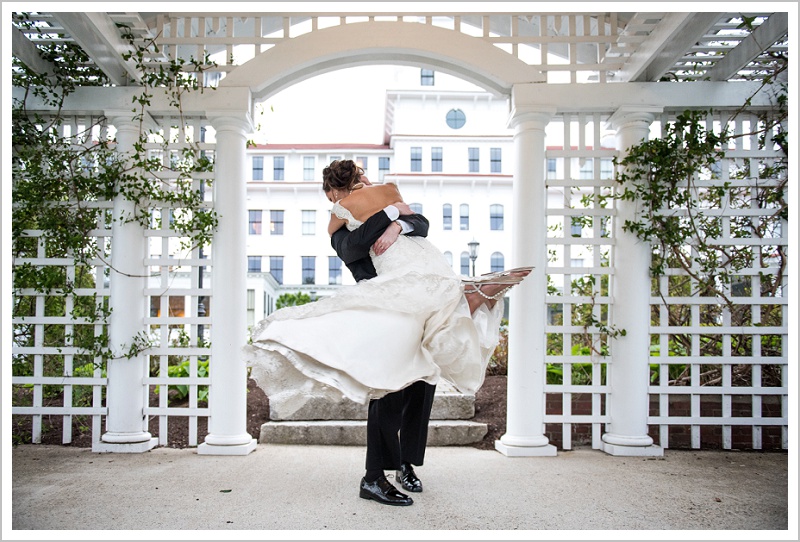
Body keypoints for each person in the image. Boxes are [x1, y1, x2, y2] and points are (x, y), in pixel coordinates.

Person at [244, 159, 530, 506]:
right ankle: (373, 477)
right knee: (389, 390)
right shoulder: (341, 228)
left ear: (335, 189)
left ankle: (406, 465)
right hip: (384, 308)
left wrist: (397, 224)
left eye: (331, 194)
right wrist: (392, 216)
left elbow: (421, 223)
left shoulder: (376, 203)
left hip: (417, 299)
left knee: (423, 384)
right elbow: (355, 246)